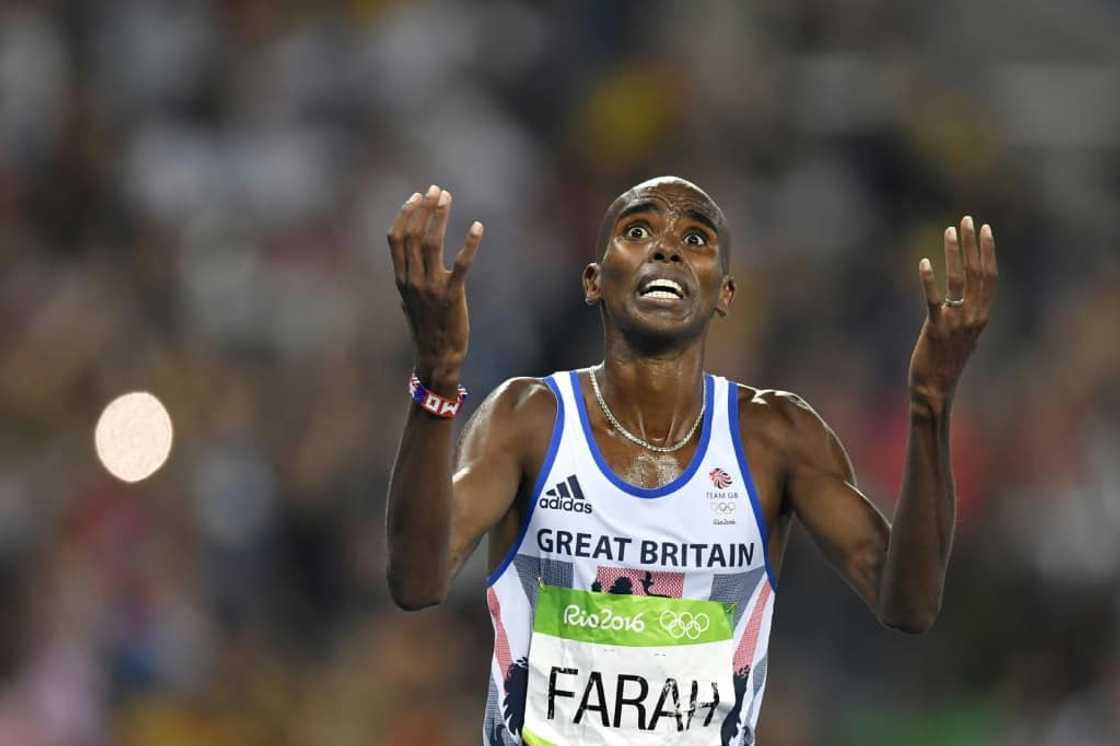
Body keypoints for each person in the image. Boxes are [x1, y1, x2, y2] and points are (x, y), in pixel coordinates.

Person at [385, 178, 998, 745]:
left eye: (696, 238)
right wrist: (437, 376)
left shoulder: (776, 438)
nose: (668, 250)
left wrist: (930, 405)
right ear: (594, 279)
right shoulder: (529, 420)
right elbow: (416, 581)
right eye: (638, 231)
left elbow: (910, 604)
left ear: (724, 292)